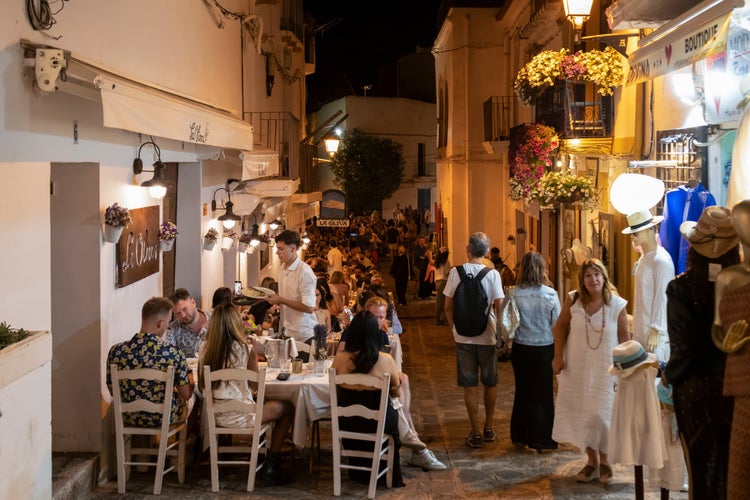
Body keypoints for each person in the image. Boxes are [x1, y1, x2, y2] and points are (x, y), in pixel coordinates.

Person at [665, 206, 738, 498]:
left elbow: (685, 346)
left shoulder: (681, 289)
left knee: (699, 462)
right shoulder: (742, 287)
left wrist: (669, 376)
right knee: (733, 464)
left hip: (694, 388)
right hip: (735, 386)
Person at [198, 304, 294, 486]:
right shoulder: (243, 348)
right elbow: (256, 387)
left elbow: (203, 384)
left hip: (214, 416)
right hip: (243, 417)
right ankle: (271, 465)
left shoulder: (204, 350)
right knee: (287, 407)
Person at [551, 258, 628, 483]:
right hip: (577, 367)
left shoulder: (617, 304)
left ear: (604, 278)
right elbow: (560, 327)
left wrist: (626, 369)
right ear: (582, 280)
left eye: (597, 275)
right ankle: (591, 460)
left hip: (607, 370)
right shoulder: (573, 300)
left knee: (601, 414)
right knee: (582, 414)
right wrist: (557, 356)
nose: (592, 279)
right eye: (588, 276)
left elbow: (625, 340)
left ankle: (605, 460)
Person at [331, 313, 406, 487]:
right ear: (375, 332)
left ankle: (358, 470)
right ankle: (386, 471)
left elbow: (334, 391)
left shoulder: (340, 359)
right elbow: (396, 394)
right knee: (395, 414)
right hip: (377, 423)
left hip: (347, 422)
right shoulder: (386, 360)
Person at [443, 232, 504, 448]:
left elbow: (447, 307)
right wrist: (499, 333)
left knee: (469, 385)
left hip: (463, 339)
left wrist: (454, 329)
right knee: (490, 382)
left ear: (468, 250)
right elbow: (499, 305)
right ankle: (488, 427)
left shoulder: (455, 273)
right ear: (487, 251)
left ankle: (475, 431)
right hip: (487, 336)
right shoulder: (493, 274)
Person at [711, 199, 750, 499]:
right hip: (742, 380)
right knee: (741, 465)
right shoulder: (727, 277)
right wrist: (728, 344)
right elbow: (717, 329)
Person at [106, 297, 194, 427]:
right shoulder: (173, 353)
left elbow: (113, 391)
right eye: (168, 323)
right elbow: (186, 394)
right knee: (192, 400)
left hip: (130, 416)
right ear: (160, 324)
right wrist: (190, 375)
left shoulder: (116, 351)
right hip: (165, 417)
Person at [508, 252, 561, 452]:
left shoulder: (513, 293)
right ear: (542, 269)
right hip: (544, 347)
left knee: (523, 391)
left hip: (521, 347)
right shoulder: (550, 294)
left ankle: (520, 435)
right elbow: (557, 324)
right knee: (543, 393)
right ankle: (542, 438)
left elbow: (507, 322)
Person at [622, 209, 675, 362]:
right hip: (641, 327)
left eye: (636, 233)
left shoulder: (661, 260)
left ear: (648, 230)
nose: (633, 237)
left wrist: (656, 329)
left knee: (654, 377)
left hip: (655, 334)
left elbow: (663, 296)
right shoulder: (645, 258)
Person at [266, 230, 317, 343]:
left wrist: (281, 300)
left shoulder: (304, 272)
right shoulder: (282, 269)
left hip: (303, 334)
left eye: (281, 249)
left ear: (293, 249)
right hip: (286, 331)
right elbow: (289, 296)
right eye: (277, 248)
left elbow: (309, 307)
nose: (277, 253)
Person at [166, 288, 211, 358]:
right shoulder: (173, 329)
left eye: (184, 309)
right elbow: (169, 354)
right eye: (178, 313)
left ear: (193, 302)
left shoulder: (214, 320)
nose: (183, 315)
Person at [434, 247, 451, 325]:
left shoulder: (437, 262)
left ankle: (439, 318)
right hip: (443, 281)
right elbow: (447, 272)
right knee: (443, 302)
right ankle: (441, 319)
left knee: (439, 302)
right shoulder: (446, 262)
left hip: (437, 281)